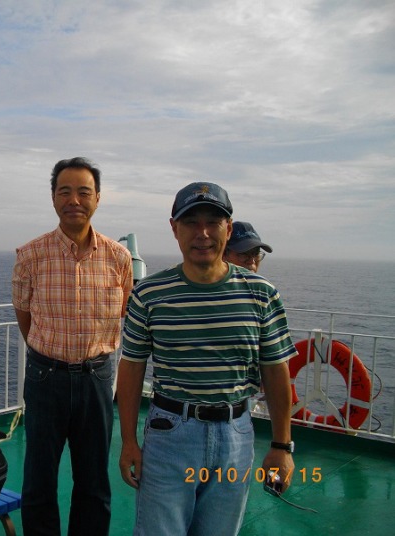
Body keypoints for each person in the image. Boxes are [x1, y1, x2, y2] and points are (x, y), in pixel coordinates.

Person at [116, 182, 297, 536]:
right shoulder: (149, 295)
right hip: (170, 435)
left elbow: (276, 371)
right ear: (174, 229)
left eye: (213, 222)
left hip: (236, 434)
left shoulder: (261, 294)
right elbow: (132, 369)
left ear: (228, 228)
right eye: (191, 222)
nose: (202, 233)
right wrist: (128, 442)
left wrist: (281, 446)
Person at [12, 157, 133, 535]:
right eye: (65, 191)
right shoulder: (30, 255)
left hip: (97, 377)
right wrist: (49, 354)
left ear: (98, 198)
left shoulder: (118, 258)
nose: (74, 200)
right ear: (53, 198)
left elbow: (123, 310)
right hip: (45, 377)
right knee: (38, 481)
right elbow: (24, 316)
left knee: (94, 482)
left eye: (84, 192)